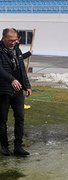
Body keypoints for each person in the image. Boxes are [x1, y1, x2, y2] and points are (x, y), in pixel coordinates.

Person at [0, 28, 32, 156]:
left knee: (20, 117)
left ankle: (18, 146)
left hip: (17, 90)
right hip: (3, 90)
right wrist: (11, 79)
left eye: (15, 40)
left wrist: (27, 86)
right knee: (2, 120)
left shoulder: (17, 49)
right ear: (3, 38)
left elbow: (22, 69)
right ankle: (4, 146)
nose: (13, 42)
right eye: (10, 40)